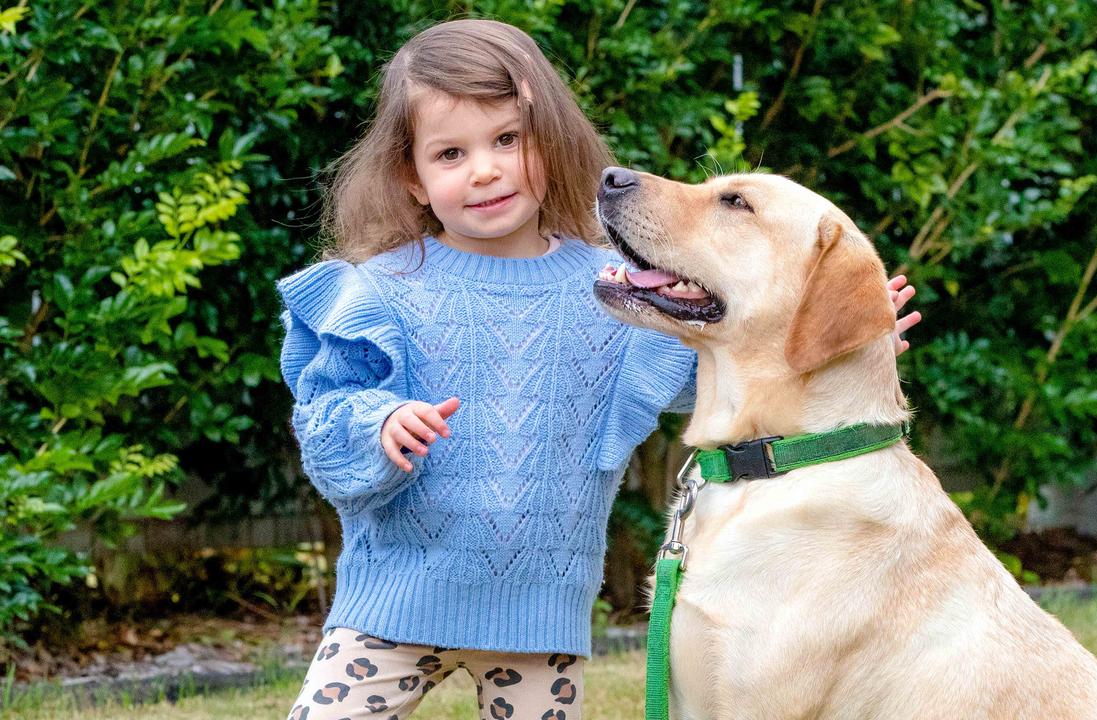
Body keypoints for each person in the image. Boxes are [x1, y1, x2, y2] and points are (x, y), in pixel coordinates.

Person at [277, 18, 920, 720]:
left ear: (549, 142)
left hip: (539, 618)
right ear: (414, 178)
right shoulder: (378, 293)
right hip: (392, 605)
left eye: (507, 140)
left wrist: (827, 328)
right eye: (451, 153)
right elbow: (325, 422)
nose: (484, 169)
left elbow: (713, 371)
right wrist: (380, 424)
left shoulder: (610, 288)